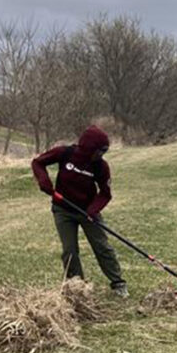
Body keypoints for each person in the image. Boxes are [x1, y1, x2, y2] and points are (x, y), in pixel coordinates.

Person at [31, 126, 128, 297]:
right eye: (99, 151)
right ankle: (77, 287)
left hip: (88, 211)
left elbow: (105, 194)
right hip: (62, 210)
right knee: (70, 250)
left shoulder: (100, 167)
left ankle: (118, 282)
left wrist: (92, 211)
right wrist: (44, 181)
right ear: (88, 147)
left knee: (102, 247)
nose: (101, 155)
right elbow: (38, 162)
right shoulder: (65, 153)